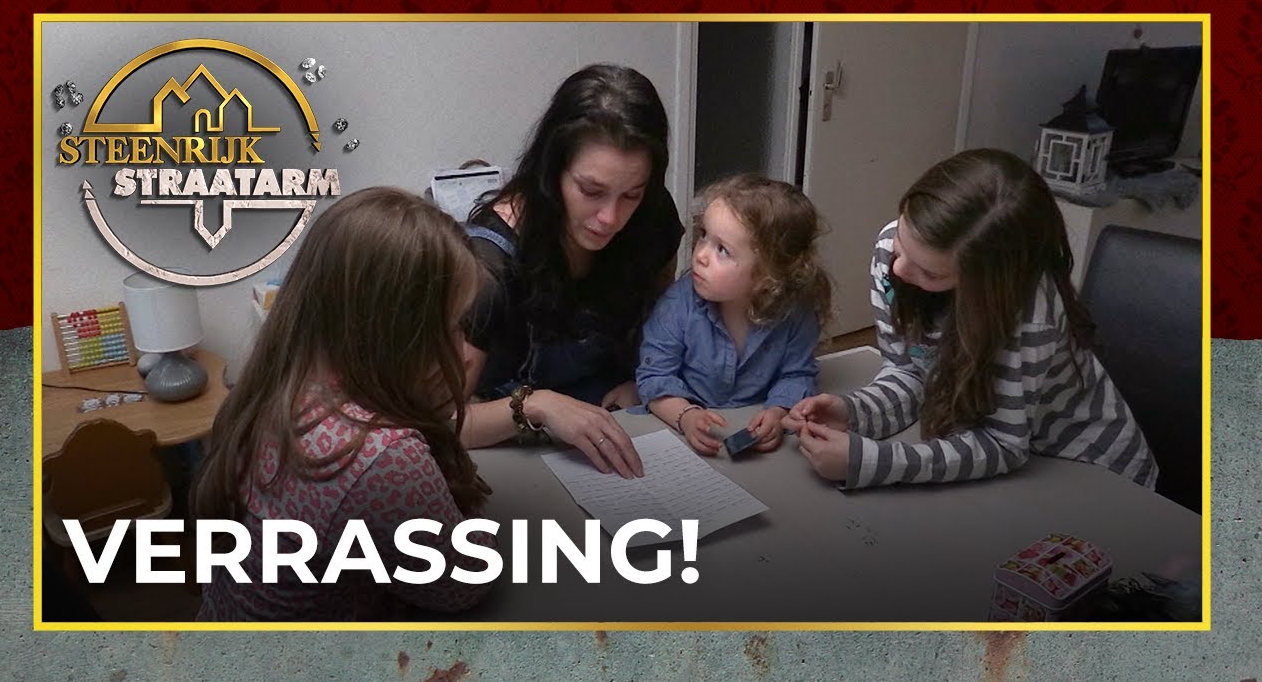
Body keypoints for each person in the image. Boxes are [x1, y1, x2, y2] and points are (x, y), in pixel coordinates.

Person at [193, 187, 495, 621]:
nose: (464, 353)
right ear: (394, 337)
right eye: (451, 328)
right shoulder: (383, 458)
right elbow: (466, 581)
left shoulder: (281, 385)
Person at [784, 148, 1157, 489]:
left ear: (984, 284)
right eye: (902, 241)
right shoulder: (891, 252)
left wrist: (874, 463)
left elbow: (1003, 443)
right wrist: (854, 412)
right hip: (1007, 457)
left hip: (1090, 467)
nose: (898, 268)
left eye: (931, 273)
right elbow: (912, 373)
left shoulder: (1031, 315)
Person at [461, 64, 684, 478]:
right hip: (509, 448)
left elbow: (662, 331)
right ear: (552, 173)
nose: (610, 218)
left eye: (631, 194)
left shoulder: (653, 219)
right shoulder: (488, 262)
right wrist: (538, 406)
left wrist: (647, 379)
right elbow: (443, 421)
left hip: (622, 425)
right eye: (591, 191)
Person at [635, 174, 832, 455]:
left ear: (769, 275)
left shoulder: (795, 312)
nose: (700, 255)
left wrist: (778, 413)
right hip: (685, 437)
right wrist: (686, 416)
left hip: (752, 436)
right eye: (703, 235)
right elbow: (654, 377)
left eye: (722, 250)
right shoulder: (677, 304)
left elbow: (798, 374)